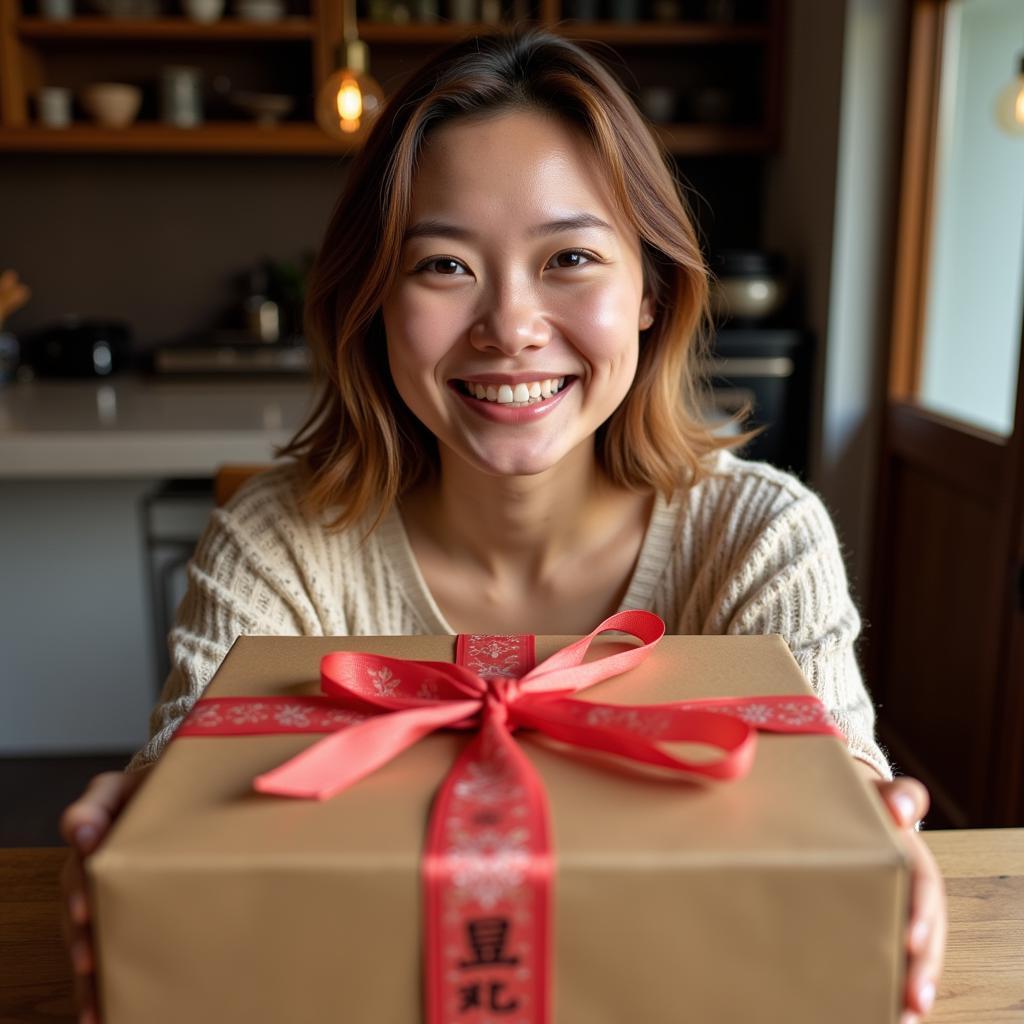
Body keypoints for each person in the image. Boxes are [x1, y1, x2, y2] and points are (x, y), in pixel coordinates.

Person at [59, 27, 946, 1024]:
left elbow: (839, 795)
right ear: (373, 300)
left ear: (650, 289)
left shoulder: (759, 534)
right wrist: (138, 828)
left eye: (568, 255)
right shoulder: (278, 539)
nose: (510, 325)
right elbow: (189, 789)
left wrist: (879, 837)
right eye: (443, 266)